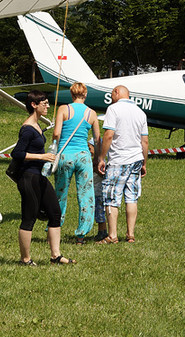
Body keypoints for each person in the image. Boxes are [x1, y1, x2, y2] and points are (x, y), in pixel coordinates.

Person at [11, 90, 76, 265]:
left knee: (55, 212)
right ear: (34, 105)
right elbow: (16, 153)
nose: (47, 106)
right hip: (28, 178)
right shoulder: (27, 129)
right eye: (44, 103)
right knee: (29, 217)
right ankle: (25, 259)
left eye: (47, 103)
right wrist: (42, 157)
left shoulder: (37, 126)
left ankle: (56, 256)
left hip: (39, 176)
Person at [97, 85, 149, 244]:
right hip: (136, 159)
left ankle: (112, 235)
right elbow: (145, 140)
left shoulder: (113, 109)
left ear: (117, 93)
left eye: (112, 93)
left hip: (118, 160)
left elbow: (108, 135)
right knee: (131, 198)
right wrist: (144, 163)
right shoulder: (140, 112)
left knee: (111, 198)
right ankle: (130, 234)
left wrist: (101, 157)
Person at [52, 82, 100, 244]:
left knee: (60, 194)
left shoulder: (64, 109)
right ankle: (81, 234)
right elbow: (97, 139)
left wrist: (54, 147)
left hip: (65, 155)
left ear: (71, 95)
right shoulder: (91, 113)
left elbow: (57, 132)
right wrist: (97, 158)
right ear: (85, 95)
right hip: (84, 156)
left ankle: (54, 228)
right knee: (86, 195)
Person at [88, 138, 108, 242]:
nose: (89, 150)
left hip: (100, 192)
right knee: (98, 212)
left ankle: (102, 231)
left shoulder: (101, 162)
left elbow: (102, 174)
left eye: (90, 148)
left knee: (100, 213)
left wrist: (94, 168)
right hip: (96, 191)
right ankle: (102, 231)